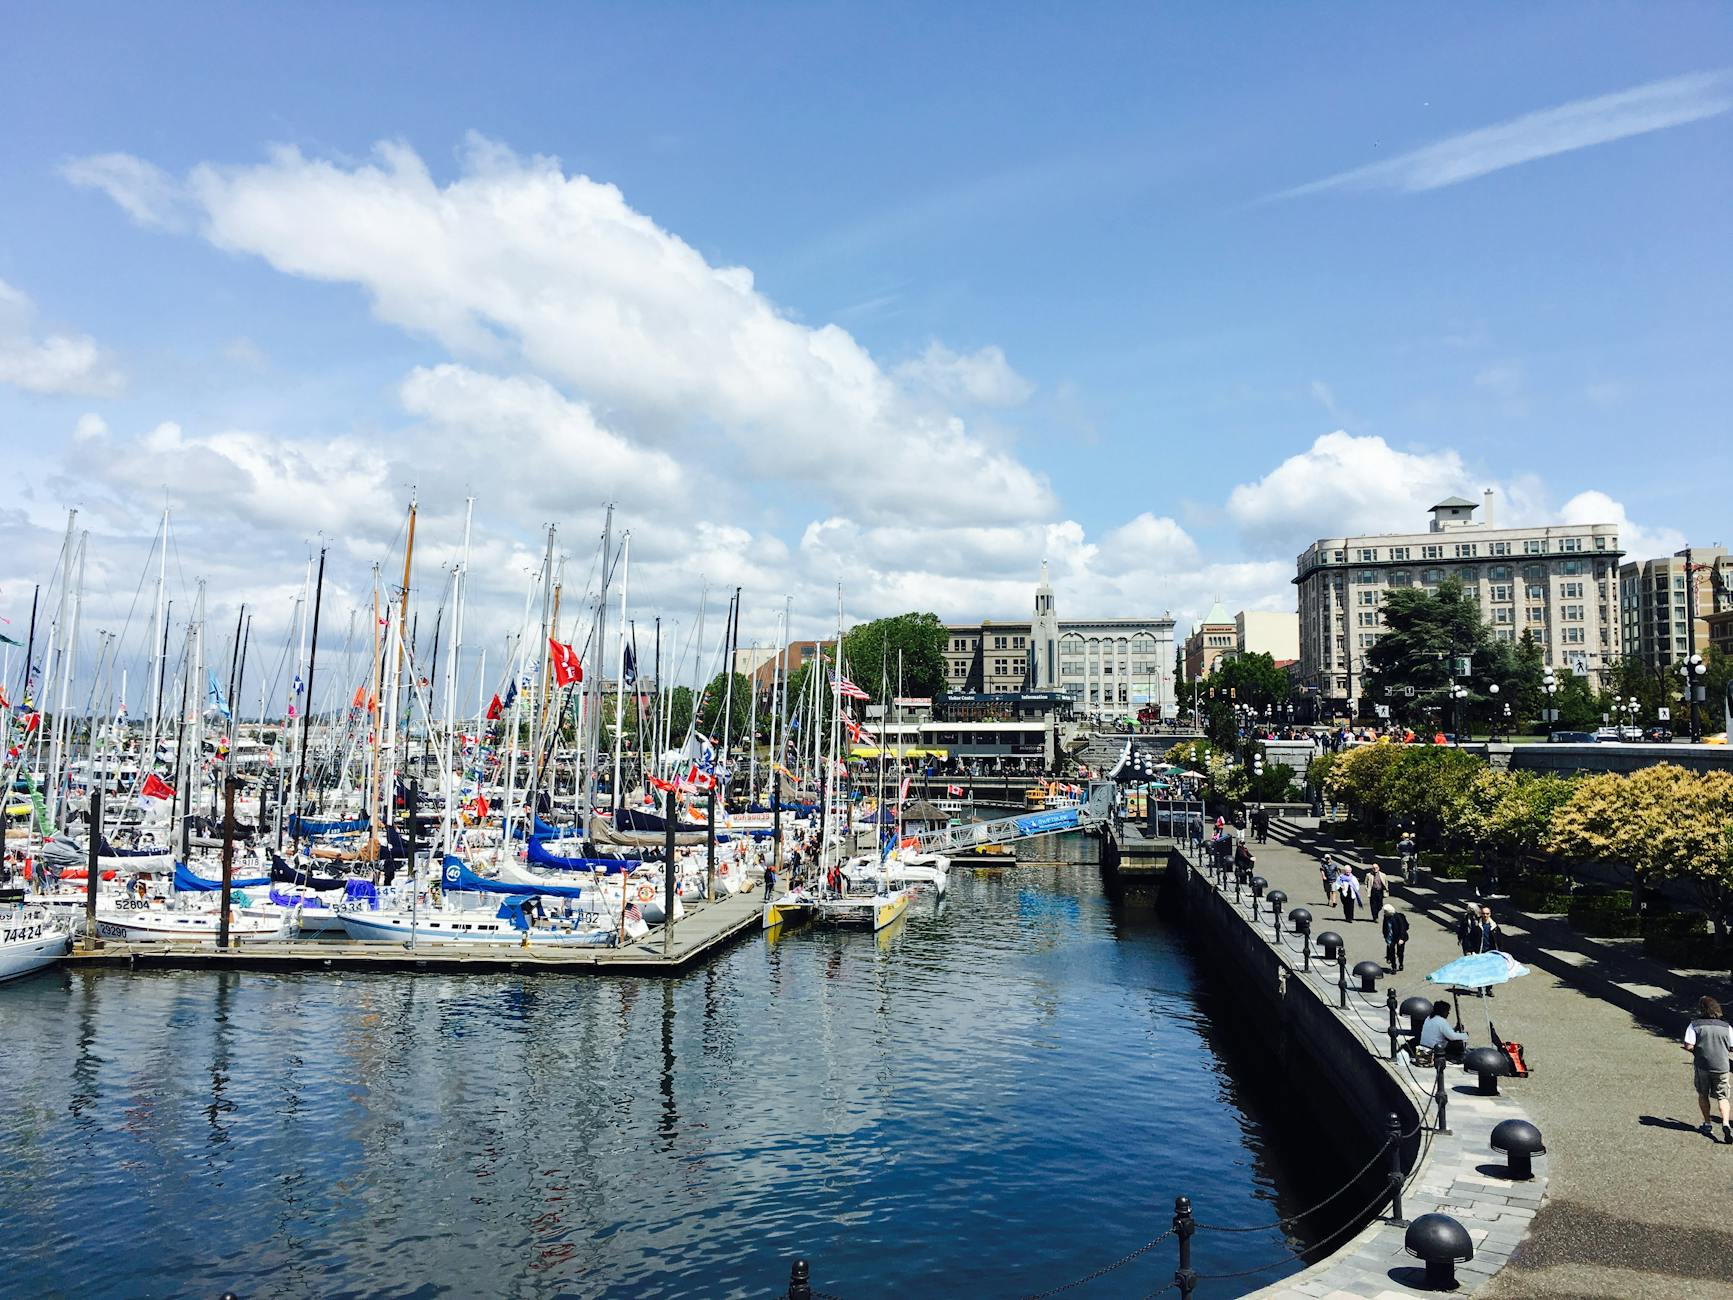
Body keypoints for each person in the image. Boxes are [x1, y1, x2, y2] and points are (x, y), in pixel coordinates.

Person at [1683, 996, 1733, 1143]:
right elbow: (1731, 1047)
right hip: (1722, 1066)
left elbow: (1689, 1045)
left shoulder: (1694, 1025)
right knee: (1723, 1097)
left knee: (1703, 1094)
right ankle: (1725, 1123)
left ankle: (1707, 1123)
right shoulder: (1727, 1027)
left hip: (1702, 1066)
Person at [1381, 903, 1410, 971]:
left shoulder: (1398, 917)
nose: (1384, 913)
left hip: (1399, 937)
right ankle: (1393, 966)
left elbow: (1402, 928)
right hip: (1391, 937)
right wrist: (1385, 936)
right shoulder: (1386, 917)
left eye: (1385, 911)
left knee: (1400, 952)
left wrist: (1401, 939)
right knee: (1391, 952)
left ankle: (1401, 964)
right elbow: (1385, 927)